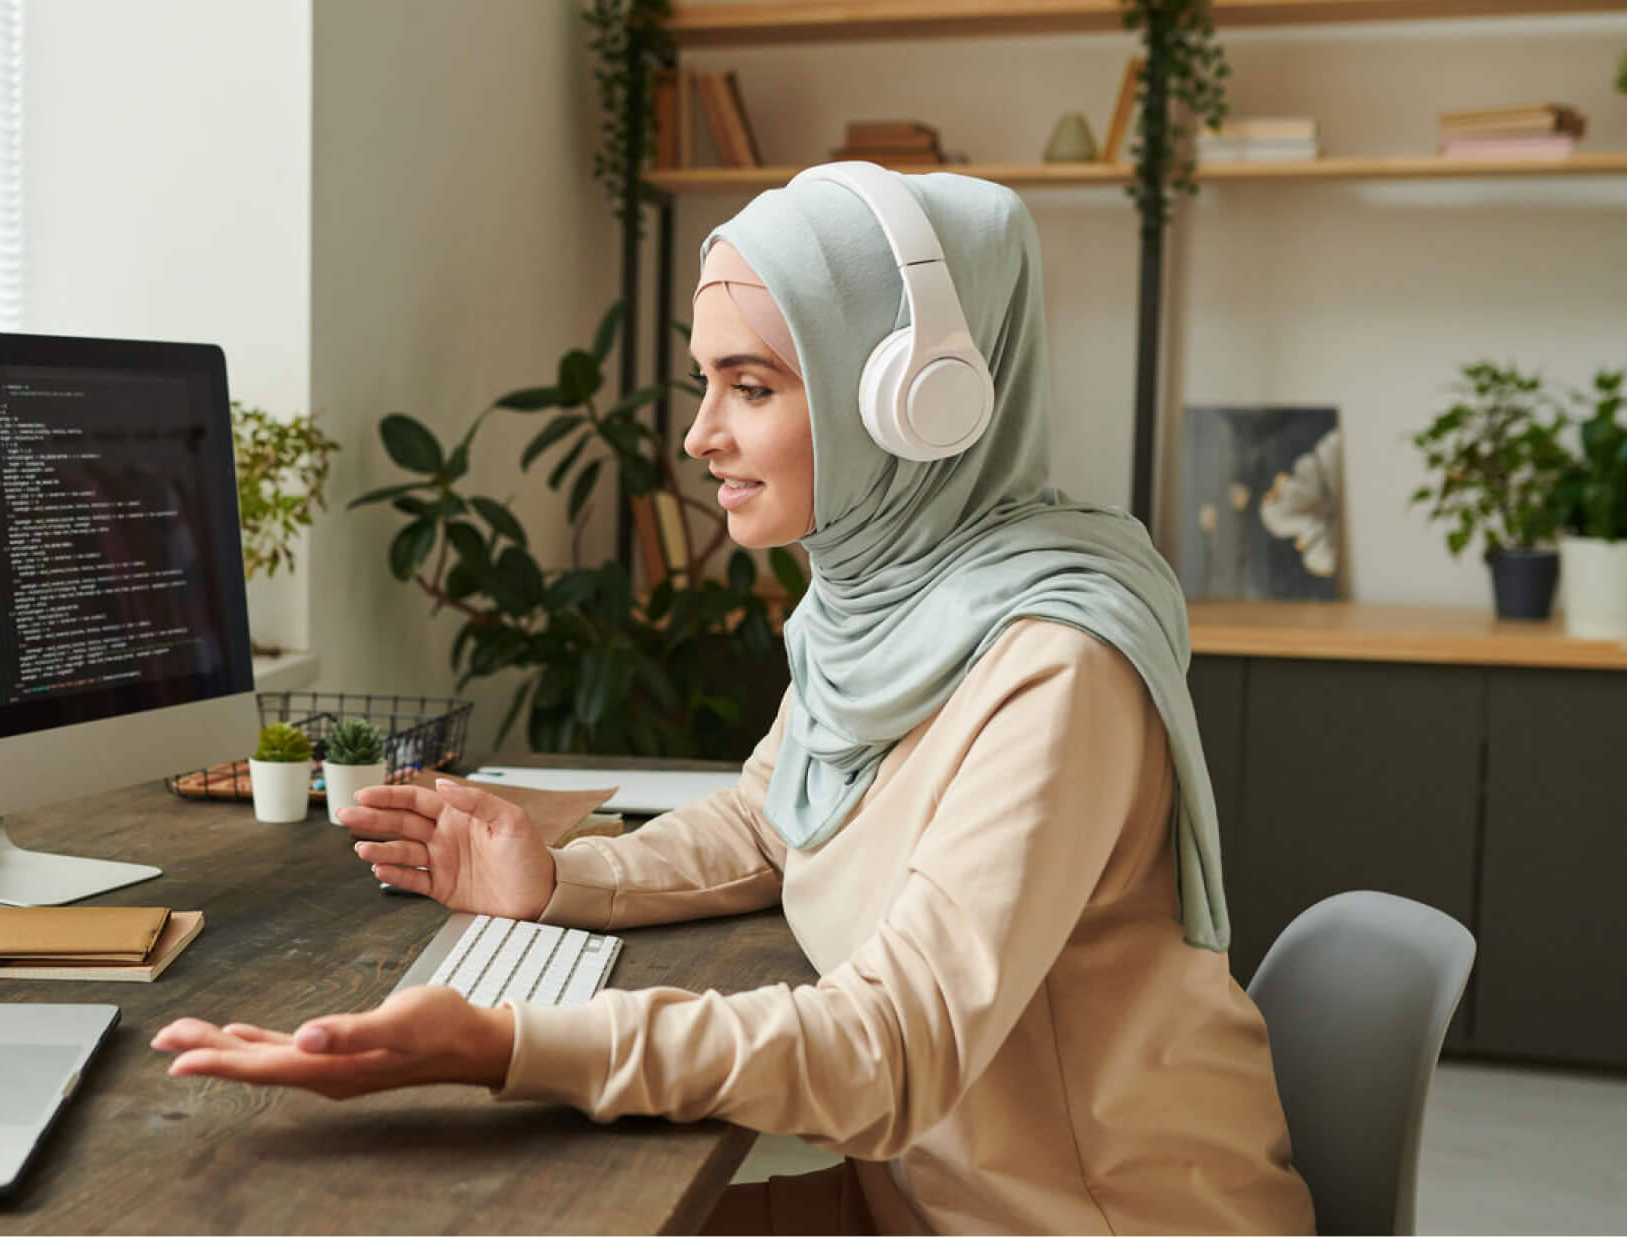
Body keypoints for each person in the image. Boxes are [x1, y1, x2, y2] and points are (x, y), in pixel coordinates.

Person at [150, 166, 1317, 1234]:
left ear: (918, 404)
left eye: (749, 385)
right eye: (706, 382)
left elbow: (888, 1048)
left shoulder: (1056, 671)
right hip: (927, 1201)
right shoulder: (885, 609)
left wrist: (509, 1041)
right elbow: (777, 810)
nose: (700, 435)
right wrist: (563, 878)